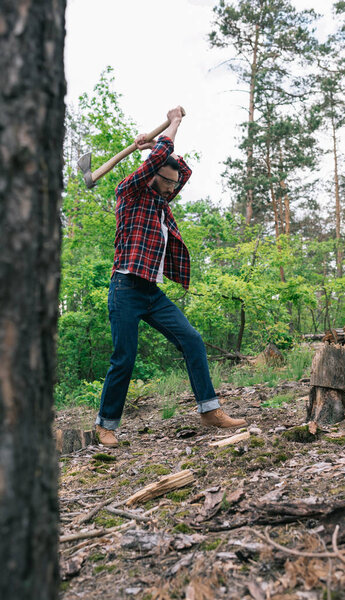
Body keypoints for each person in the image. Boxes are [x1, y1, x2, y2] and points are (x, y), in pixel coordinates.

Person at [95, 106, 246, 448]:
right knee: (124, 357)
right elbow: (161, 157)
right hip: (125, 288)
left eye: (173, 186)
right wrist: (173, 123)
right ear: (152, 176)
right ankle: (106, 425)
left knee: (191, 338)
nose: (172, 191)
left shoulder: (161, 198)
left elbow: (181, 168)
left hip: (151, 292)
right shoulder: (130, 193)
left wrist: (154, 148)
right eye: (167, 184)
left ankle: (209, 410)